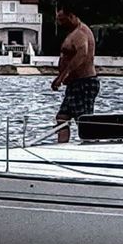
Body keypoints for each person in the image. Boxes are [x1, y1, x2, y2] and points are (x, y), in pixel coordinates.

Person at [50, 8, 99, 144]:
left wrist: (63, 76)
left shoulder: (80, 33)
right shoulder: (73, 33)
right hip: (74, 84)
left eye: (62, 20)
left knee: (82, 118)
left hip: (84, 82)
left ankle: (90, 144)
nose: (59, 23)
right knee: (62, 117)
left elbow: (82, 54)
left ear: (71, 16)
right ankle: (62, 146)